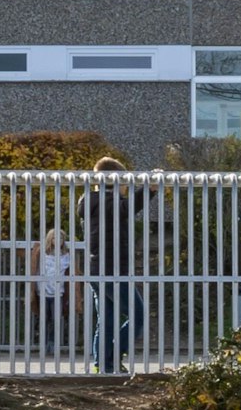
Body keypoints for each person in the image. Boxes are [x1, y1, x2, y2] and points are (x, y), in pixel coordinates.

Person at [76, 156, 153, 373]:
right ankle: (112, 355)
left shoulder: (91, 201)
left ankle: (104, 365)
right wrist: (151, 188)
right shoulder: (105, 201)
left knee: (106, 319)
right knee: (138, 315)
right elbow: (127, 208)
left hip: (96, 269)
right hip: (112, 269)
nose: (127, 188)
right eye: (125, 183)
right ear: (114, 181)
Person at [30, 228, 72, 359]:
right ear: (50, 239)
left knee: (55, 319)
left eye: (61, 238)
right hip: (43, 291)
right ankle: (43, 345)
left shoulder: (66, 255)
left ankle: (52, 344)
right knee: (43, 319)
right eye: (55, 238)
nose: (58, 241)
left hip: (58, 292)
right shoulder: (42, 253)